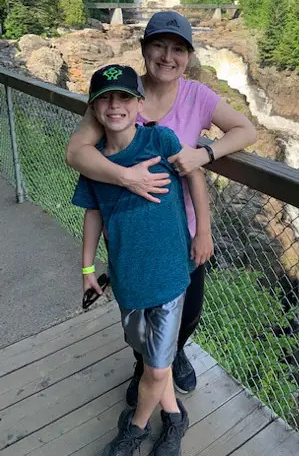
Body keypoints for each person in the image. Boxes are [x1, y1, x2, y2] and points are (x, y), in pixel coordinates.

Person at [66, 11, 256, 403]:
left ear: (188, 55)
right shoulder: (118, 97)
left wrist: (205, 154)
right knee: (137, 310)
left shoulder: (197, 96)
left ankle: (170, 356)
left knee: (187, 311)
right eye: (159, 45)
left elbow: (247, 130)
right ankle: (148, 367)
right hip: (132, 232)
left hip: (182, 228)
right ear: (144, 49)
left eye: (178, 49)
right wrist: (126, 178)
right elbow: (76, 152)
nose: (168, 57)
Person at [72, 64, 205, 456]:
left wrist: (203, 233)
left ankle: (134, 429)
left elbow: (194, 174)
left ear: (139, 104)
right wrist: (86, 268)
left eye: (124, 97)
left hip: (168, 275)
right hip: (127, 277)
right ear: (94, 109)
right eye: (105, 99)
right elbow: (93, 214)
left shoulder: (160, 140)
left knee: (158, 368)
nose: (115, 106)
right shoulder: (94, 164)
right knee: (147, 353)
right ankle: (175, 415)